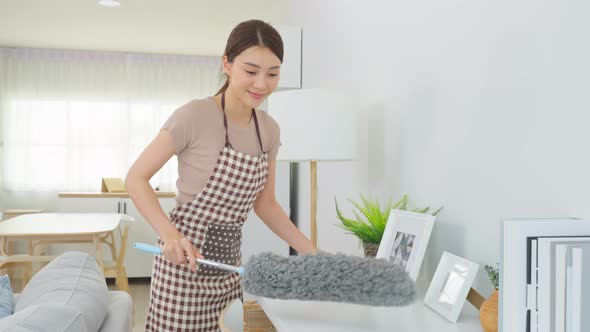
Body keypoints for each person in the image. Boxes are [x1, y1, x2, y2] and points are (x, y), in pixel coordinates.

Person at [126, 19, 317, 331]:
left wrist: (310, 250)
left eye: (272, 73)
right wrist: (169, 235)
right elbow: (136, 177)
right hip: (181, 271)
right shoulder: (194, 115)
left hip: (228, 271)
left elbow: (266, 204)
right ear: (227, 64)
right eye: (251, 71)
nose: (262, 84)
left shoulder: (268, 130)